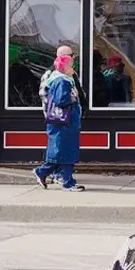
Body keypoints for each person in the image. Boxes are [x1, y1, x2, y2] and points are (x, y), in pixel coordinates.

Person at [34, 45, 84, 192]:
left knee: (62, 153)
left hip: (64, 122)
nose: (73, 68)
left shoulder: (59, 79)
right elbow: (61, 100)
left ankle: (45, 173)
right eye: (71, 65)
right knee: (65, 152)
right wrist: (73, 99)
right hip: (64, 122)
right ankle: (67, 182)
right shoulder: (62, 81)